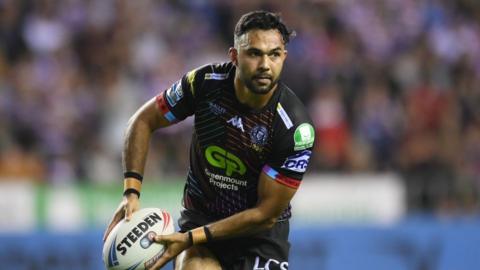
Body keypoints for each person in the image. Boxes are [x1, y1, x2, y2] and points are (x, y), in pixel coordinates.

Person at [104, 10, 315, 270]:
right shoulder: (204, 84)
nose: (264, 64)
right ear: (234, 56)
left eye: (273, 54)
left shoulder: (294, 127)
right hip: (201, 221)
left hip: (257, 238)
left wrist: (189, 237)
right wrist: (131, 193)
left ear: (283, 57)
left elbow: (265, 215)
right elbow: (142, 121)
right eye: (254, 53)